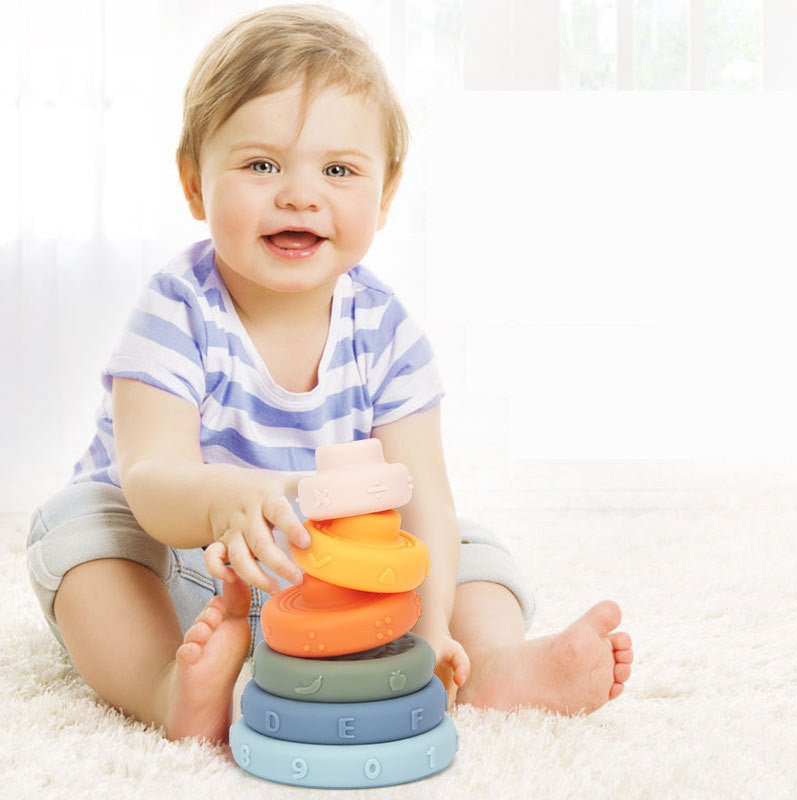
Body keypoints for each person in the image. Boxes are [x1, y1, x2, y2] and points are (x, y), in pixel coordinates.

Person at [26, 4, 633, 744]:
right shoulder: (177, 308)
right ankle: (171, 688)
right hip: (190, 579)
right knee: (79, 530)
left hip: (348, 591)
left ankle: (484, 667)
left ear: (386, 192)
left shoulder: (386, 332)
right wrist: (226, 499)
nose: (299, 194)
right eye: (261, 165)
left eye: (339, 169)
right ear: (193, 182)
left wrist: (432, 620)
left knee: (466, 546)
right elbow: (149, 476)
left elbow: (424, 500)